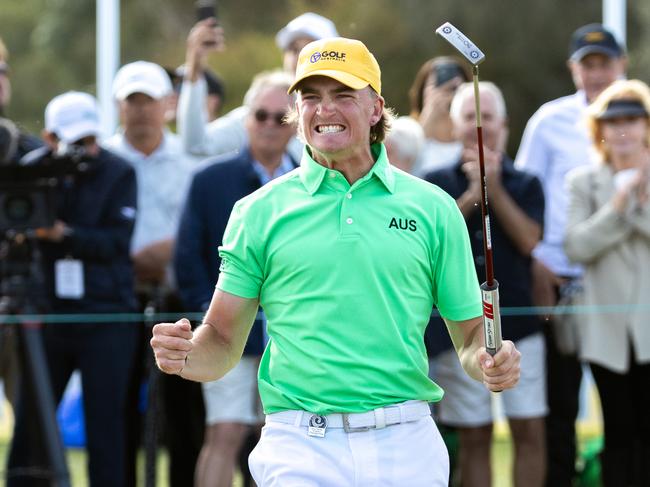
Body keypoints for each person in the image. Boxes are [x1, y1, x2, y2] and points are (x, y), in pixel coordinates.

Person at [151, 36, 521, 487]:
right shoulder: (257, 212)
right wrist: (187, 355)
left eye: (343, 95)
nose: (324, 110)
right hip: (299, 444)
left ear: (376, 108)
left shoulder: (433, 208)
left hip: (407, 441)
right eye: (310, 97)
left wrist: (488, 359)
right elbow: (223, 341)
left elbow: (468, 336)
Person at [6, 91, 139, 487]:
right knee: (33, 419)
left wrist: (62, 234)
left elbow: (116, 241)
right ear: (49, 137)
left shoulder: (120, 172)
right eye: (77, 142)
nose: (88, 150)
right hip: (47, 312)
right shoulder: (33, 174)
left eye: (92, 139)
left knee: (106, 425)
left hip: (108, 314)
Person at [514, 23, 626, 486]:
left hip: (617, 287)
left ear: (621, 66)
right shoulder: (548, 120)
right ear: (573, 70)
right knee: (559, 408)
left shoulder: (637, 118)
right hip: (557, 283)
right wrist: (536, 258)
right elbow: (525, 193)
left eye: (604, 65)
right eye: (587, 65)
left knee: (623, 408)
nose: (596, 75)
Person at [175, 69, 297, 487]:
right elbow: (187, 259)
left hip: (291, 335)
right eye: (260, 115)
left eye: (280, 117)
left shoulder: (320, 182)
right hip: (226, 329)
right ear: (246, 118)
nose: (268, 125)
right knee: (224, 431)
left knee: (282, 433)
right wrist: (210, 321)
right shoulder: (210, 180)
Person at [425, 81, 546, 487]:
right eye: (470, 118)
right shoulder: (433, 184)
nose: (480, 126)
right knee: (474, 435)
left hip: (522, 329)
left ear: (505, 125)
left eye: (488, 117)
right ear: (454, 125)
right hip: (462, 330)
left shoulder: (526, 183)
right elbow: (432, 240)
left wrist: (494, 189)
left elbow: (529, 240)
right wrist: (474, 195)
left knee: (528, 431)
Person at [103, 60, 204, 487]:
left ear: (168, 104)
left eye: (149, 101)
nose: (142, 110)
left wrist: (170, 250)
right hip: (118, 297)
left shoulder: (191, 160)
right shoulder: (103, 158)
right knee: (120, 409)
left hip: (177, 299)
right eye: (133, 102)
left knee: (185, 414)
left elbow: (198, 230)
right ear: (119, 106)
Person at [564, 79, 650, 487]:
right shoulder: (583, 181)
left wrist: (638, 203)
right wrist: (619, 206)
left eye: (633, 119)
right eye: (613, 120)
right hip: (605, 334)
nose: (623, 129)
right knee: (618, 431)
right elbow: (576, 246)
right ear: (598, 128)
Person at [177, 12, 338, 159]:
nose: (300, 57)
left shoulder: (349, 110)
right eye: (293, 49)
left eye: (311, 51)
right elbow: (196, 145)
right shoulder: (263, 110)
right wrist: (195, 68)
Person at [408, 56, 470, 175]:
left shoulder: (473, 136)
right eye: (437, 85)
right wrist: (430, 113)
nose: (444, 91)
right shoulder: (404, 130)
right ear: (423, 91)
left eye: (454, 87)